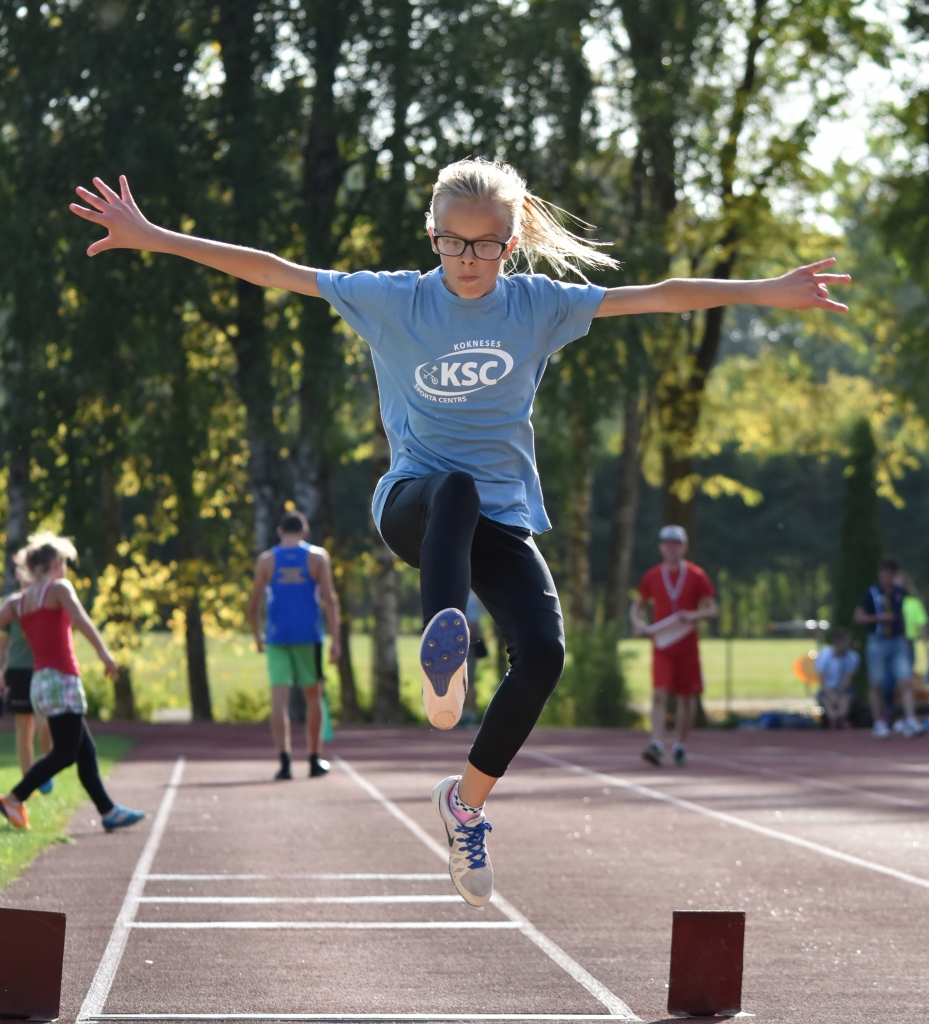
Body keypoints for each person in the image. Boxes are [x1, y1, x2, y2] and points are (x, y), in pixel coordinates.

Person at [69, 158, 849, 906]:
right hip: (414, 505)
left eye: (483, 244)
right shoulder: (393, 300)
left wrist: (763, 290)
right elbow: (275, 269)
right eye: (451, 240)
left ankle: (466, 804)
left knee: (544, 653)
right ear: (431, 233)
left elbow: (658, 294)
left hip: (501, 522)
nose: (466, 258)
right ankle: (446, 640)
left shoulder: (537, 305)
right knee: (456, 485)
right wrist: (158, 236)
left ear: (510, 244)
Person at [0, 533, 145, 832]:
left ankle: (108, 811)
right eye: (64, 563)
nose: (65, 569)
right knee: (65, 752)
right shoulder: (59, 589)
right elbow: (80, 619)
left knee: (84, 751)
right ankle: (14, 798)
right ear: (55, 563)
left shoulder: (18, 602)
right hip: (62, 678)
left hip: (40, 682)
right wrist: (105, 654)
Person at [247, 511, 340, 780]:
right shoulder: (317, 557)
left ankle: (285, 761)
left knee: (279, 699)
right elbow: (330, 600)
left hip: (277, 637)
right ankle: (313, 758)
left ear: (279, 532)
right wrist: (336, 640)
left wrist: (257, 637)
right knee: (313, 698)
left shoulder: (266, 560)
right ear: (304, 531)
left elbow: (253, 607)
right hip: (308, 636)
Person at [632, 525, 718, 768]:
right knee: (659, 693)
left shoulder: (696, 574)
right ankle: (657, 744)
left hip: (687, 644)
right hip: (662, 644)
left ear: (684, 547)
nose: (671, 549)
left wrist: (693, 616)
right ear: (661, 547)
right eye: (667, 544)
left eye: (676, 544)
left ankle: (680, 745)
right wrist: (639, 624)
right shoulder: (652, 575)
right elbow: (637, 606)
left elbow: (712, 609)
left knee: (686, 698)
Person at [853, 556, 921, 738]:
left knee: (905, 680)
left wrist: (906, 641)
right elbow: (858, 617)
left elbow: (903, 618)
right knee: (877, 684)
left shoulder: (899, 592)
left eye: (892, 574)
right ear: (881, 574)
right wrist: (879, 619)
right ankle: (878, 722)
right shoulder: (871, 593)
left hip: (897, 641)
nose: (889, 578)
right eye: (886, 574)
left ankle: (910, 719)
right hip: (878, 641)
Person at [0, 568, 54, 792]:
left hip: (43, 670)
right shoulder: (10, 605)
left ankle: (45, 765)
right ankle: (28, 784)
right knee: (24, 729)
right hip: (18, 671)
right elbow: (3, 642)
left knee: (45, 723)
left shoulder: (48, 601)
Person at [815, 627, 859, 729]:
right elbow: (822, 680)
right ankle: (833, 718)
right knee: (826, 698)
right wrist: (831, 695)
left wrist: (838, 694)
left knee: (846, 698)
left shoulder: (852, 657)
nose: (848, 644)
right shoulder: (824, 655)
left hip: (842, 689)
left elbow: (848, 679)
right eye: (846, 641)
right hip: (828, 688)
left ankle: (839, 718)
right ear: (838, 642)